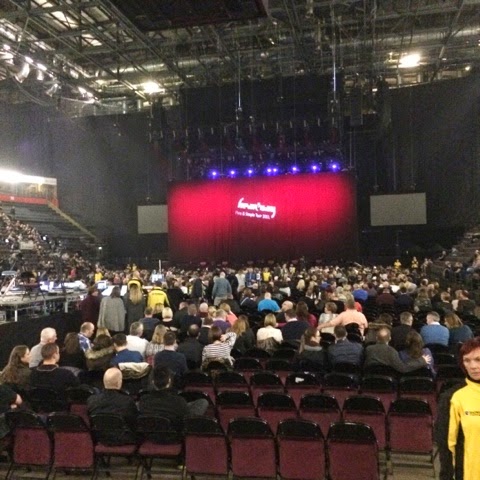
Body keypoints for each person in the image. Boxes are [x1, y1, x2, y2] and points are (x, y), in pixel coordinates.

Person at [138, 365, 208, 432]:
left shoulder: (144, 400)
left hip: (150, 434)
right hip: (173, 434)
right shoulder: (179, 401)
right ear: (169, 381)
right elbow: (184, 416)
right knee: (203, 402)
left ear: (152, 381)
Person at [448, 338, 480, 480]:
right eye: (467, 360)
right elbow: (450, 444)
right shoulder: (458, 397)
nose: (473, 366)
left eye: (478, 359)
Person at [364, 327, 430, 373]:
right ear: (390, 338)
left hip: (368, 381)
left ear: (376, 338)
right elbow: (403, 368)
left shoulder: (368, 349)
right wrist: (422, 361)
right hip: (388, 384)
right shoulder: (392, 351)